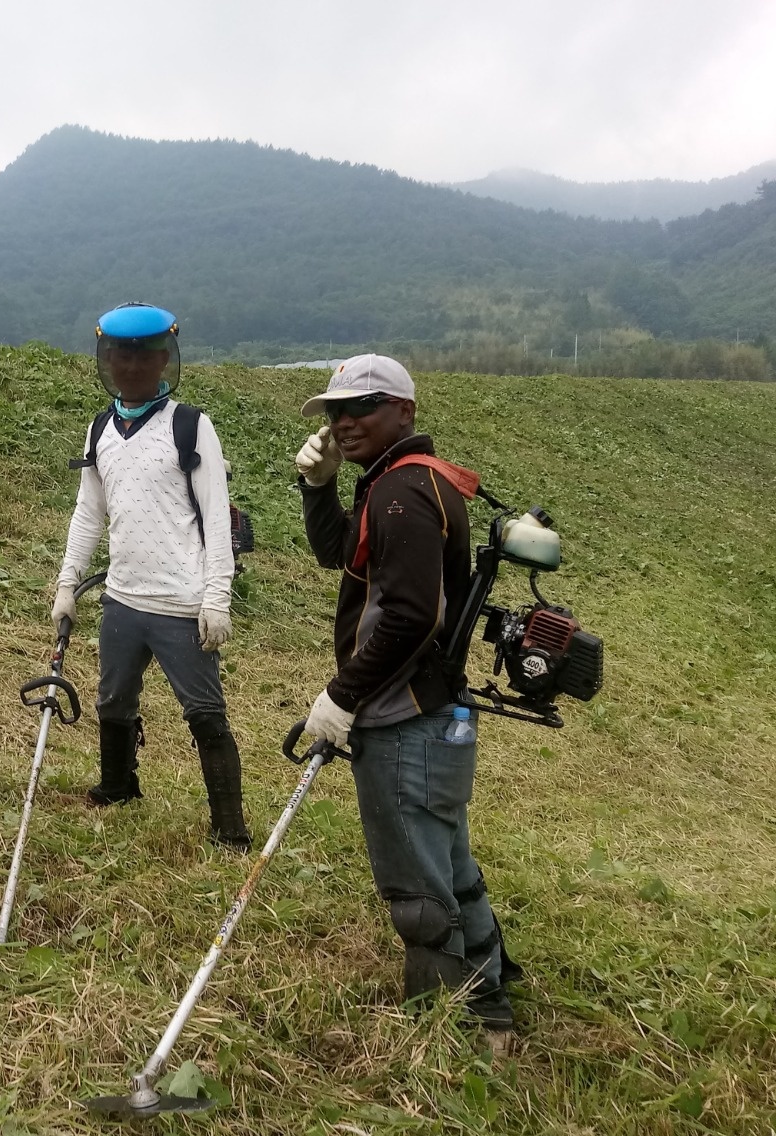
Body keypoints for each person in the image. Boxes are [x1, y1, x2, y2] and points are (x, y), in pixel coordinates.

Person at [295, 353, 519, 1030]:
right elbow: (342, 554)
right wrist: (318, 488)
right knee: (449, 863)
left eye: (362, 406)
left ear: (404, 411)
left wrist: (343, 694)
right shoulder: (398, 482)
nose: (344, 422)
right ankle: (491, 983)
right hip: (431, 715)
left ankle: (464, 1024)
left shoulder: (402, 492)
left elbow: (412, 616)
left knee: (418, 890)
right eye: (335, 411)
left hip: (404, 718)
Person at [52, 302, 249, 849]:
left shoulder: (190, 426)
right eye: (120, 356)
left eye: (143, 357)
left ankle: (229, 828)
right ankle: (117, 788)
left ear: (164, 359)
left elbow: (215, 514)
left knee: (205, 713)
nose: (131, 367)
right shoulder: (100, 430)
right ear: (107, 360)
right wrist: (68, 583)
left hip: (182, 604)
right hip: (121, 598)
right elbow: (89, 512)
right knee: (113, 700)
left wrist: (217, 598)